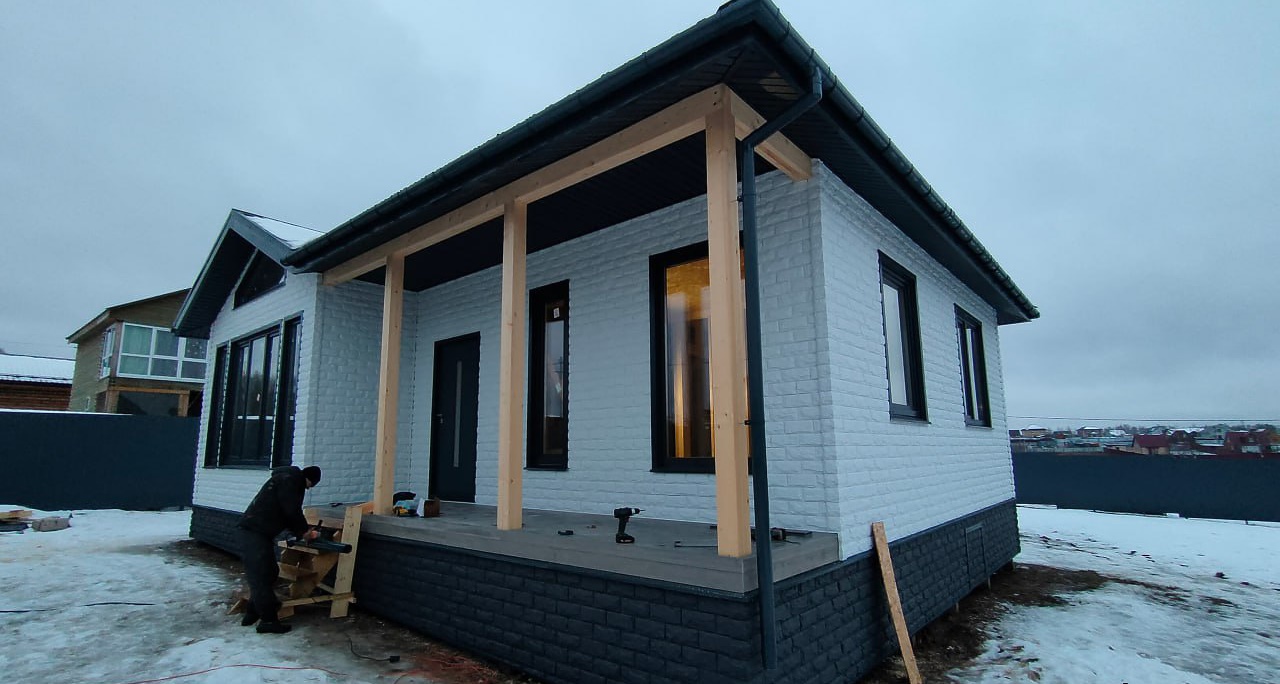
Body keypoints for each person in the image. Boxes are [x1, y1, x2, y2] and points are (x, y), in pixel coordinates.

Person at [236, 464, 321, 634]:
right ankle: (268, 621)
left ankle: (253, 611)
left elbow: (284, 511)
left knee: (270, 571)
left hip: (259, 532)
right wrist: (305, 532)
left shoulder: (285, 479)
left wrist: (298, 531)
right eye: (310, 485)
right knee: (261, 575)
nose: (308, 489)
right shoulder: (290, 481)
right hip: (254, 532)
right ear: (309, 479)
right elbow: (292, 510)